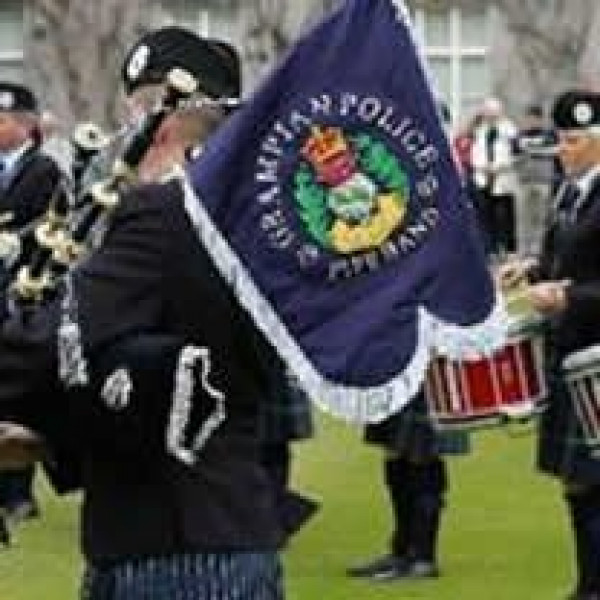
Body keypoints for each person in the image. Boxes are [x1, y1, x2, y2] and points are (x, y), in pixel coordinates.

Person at [0, 27, 286, 600]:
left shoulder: (162, 213)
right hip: (227, 518)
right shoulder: (245, 217)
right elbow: (152, 366)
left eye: (134, 110)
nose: (125, 130)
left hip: (171, 544)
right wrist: (48, 432)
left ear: (163, 117)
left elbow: (56, 342)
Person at [500, 89, 600, 600]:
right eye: (561, 139)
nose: (563, 148)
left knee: (597, 483)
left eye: (574, 139)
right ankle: (586, 586)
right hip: (567, 354)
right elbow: (563, 260)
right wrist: (532, 269)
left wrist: (568, 298)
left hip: (596, 359)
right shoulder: (569, 192)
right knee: (577, 482)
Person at [0, 81, 63, 542]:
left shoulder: (45, 170)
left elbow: (54, 220)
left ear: (27, 125)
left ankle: (19, 490)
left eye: (4, 120)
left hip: (25, 288)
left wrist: (16, 241)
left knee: (18, 389)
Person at [346, 389, 469, 581]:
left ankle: (423, 559)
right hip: (395, 373)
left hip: (430, 377)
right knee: (394, 453)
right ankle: (400, 552)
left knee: (423, 456)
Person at [470, 97, 520, 256]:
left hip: (502, 178)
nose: (490, 117)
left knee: (505, 217)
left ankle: (508, 249)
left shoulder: (510, 131)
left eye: (493, 114)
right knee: (486, 216)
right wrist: (481, 166)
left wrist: (499, 166)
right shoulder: (480, 131)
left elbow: (516, 155)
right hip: (483, 177)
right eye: (487, 113)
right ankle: (490, 248)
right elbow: (475, 153)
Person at [514, 104, 561, 255]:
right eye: (529, 118)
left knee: (541, 218)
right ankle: (523, 250)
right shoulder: (520, 135)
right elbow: (514, 155)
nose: (531, 121)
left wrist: (535, 151)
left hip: (543, 180)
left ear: (540, 119)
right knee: (523, 219)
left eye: (534, 118)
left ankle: (538, 250)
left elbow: (556, 151)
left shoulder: (549, 135)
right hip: (524, 181)